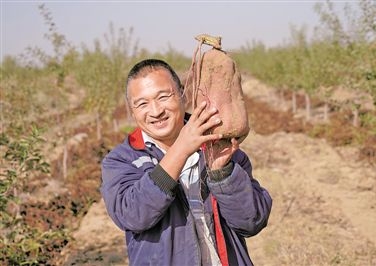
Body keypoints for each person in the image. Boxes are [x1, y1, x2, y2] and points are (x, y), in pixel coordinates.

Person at [101, 58, 272, 266]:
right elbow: (133, 215)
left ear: (182, 94)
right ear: (132, 110)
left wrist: (221, 173)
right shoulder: (122, 160)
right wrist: (181, 149)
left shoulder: (218, 146)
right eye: (142, 103)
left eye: (163, 97)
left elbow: (252, 221)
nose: (155, 111)